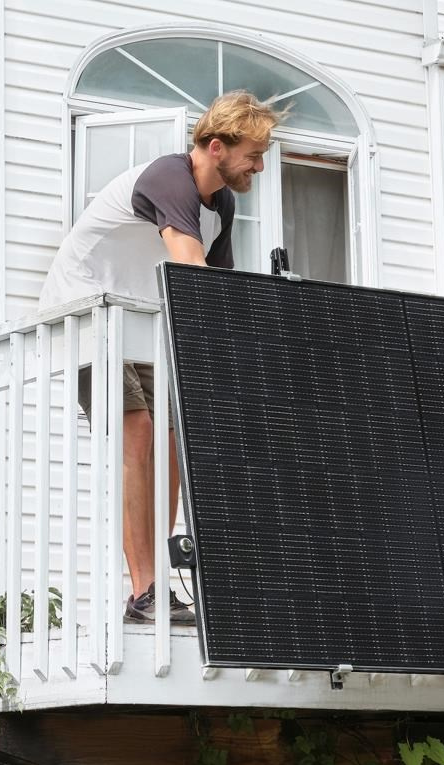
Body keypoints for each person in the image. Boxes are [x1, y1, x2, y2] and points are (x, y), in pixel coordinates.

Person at [39, 90, 284, 624]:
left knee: (173, 441)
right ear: (216, 147)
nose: (260, 167)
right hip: (88, 311)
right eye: (253, 155)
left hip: (145, 321)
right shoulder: (170, 178)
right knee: (139, 431)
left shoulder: (222, 203)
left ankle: (161, 586)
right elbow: (192, 269)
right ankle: (144, 591)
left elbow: (218, 289)